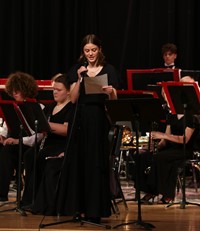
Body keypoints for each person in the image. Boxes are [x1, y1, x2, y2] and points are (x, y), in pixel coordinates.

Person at [56, 34, 119, 223]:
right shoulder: (78, 69)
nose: (90, 53)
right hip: (80, 118)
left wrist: (111, 92)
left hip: (98, 118)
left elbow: (114, 100)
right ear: (83, 52)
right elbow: (73, 98)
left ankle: (95, 210)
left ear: (99, 49)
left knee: (95, 163)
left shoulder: (109, 69)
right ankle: (79, 208)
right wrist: (79, 78)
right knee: (79, 163)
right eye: (87, 50)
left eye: (93, 50)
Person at [137, 76, 200, 204]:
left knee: (161, 158)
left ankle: (164, 193)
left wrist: (164, 136)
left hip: (184, 149)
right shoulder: (172, 114)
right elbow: (165, 140)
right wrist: (155, 147)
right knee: (143, 156)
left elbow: (185, 140)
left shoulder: (193, 116)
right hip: (171, 148)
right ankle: (148, 190)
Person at [21, 74, 75, 214]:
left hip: (62, 145)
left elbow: (66, 130)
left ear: (68, 91)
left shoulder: (71, 108)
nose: (55, 92)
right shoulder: (50, 107)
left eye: (59, 89)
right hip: (48, 144)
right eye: (53, 89)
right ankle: (28, 199)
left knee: (41, 156)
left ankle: (40, 203)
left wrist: (46, 125)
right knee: (29, 155)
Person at [0, 71, 40, 202]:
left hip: (32, 145)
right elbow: (8, 124)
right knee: (6, 151)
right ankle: (2, 194)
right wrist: (3, 136)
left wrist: (17, 141)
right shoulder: (13, 106)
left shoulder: (38, 107)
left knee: (29, 156)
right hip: (17, 143)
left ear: (26, 89)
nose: (14, 93)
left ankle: (28, 198)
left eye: (18, 90)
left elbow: (37, 136)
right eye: (13, 90)